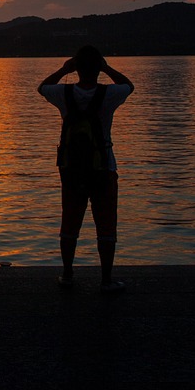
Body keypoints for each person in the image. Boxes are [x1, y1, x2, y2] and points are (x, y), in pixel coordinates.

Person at [38, 46, 134, 293]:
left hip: (71, 169)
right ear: (98, 67)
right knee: (106, 224)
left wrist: (63, 69)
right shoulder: (110, 94)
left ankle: (68, 274)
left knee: (70, 220)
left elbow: (42, 87)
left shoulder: (63, 94)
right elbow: (129, 86)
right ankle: (106, 278)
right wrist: (107, 68)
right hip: (104, 167)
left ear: (76, 67)